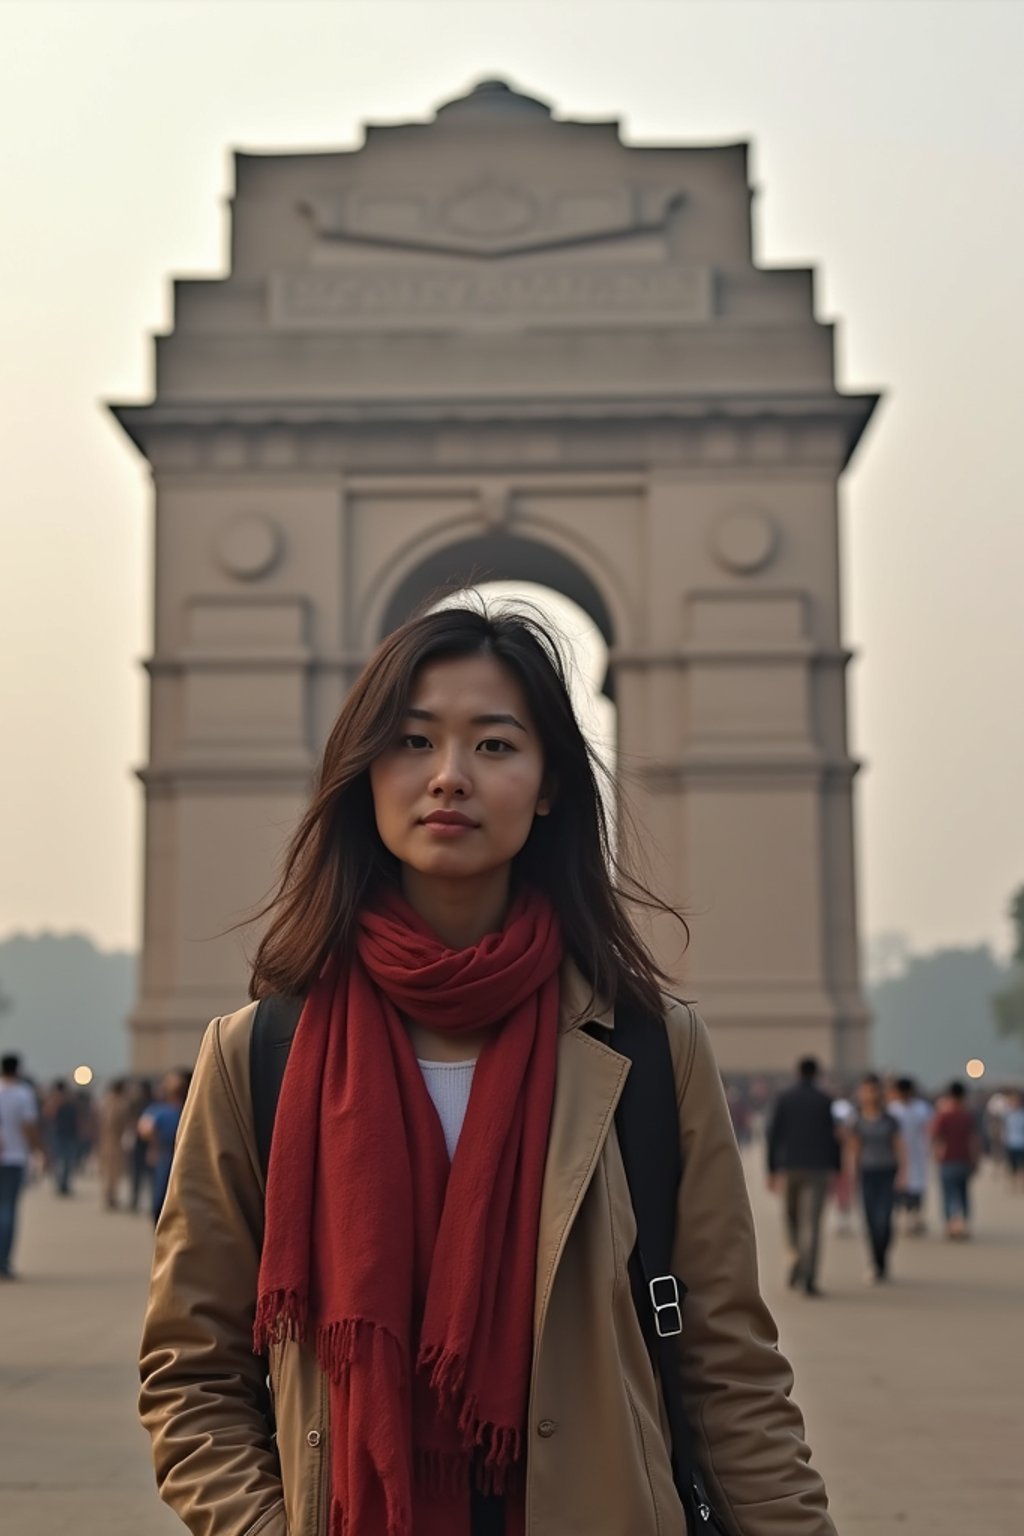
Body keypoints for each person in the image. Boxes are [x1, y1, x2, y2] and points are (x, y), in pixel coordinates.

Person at [139, 604, 839, 1536]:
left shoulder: (650, 1048)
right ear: (363, 773)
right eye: (412, 740)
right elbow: (192, 1370)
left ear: (549, 782)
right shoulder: (258, 1055)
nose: (448, 778)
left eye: (496, 744)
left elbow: (729, 1369)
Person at [766, 1057, 840, 1296]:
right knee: (813, 1224)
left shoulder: (785, 1099)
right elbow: (833, 1137)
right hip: (818, 1169)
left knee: (791, 1220)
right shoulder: (825, 1100)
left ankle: (794, 1260)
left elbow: (773, 1135)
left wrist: (771, 1169)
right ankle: (809, 1276)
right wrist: (836, 1167)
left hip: (790, 1167)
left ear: (797, 1073)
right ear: (816, 1073)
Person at [846, 1074, 906, 1283]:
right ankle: (876, 1262)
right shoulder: (858, 1121)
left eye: (873, 1090)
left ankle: (883, 1255)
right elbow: (854, 1150)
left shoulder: (890, 1121)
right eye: (866, 1090)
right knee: (870, 1220)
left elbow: (899, 1147)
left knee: (885, 1219)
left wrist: (902, 1173)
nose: (870, 1095)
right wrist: (851, 1176)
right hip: (867, 1173)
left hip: (887, 1172)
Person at [0, 1053, 42, 1279]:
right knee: (7, 1210)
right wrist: (39, 1150)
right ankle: (3, 1262)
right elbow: (29, 1126)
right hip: (14, 1158)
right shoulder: (22, 1094)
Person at [138, 1071, 191, 1224]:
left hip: (183, 1156)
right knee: (161, 1199)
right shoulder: (159, 1110)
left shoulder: (189, 1109)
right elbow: (145, 1129)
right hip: (165, 1154)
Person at [931, 1080, 981, 1238]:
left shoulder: (943, 1116)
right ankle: (963, 1223)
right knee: (963, 1192)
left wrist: (936, 1154)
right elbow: (974, 1140)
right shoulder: (968, 1116)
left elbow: (934, 1136)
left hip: (947, 1160)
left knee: (948, 1193)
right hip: (964, 1159)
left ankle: (951, 1224)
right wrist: (975, 1160)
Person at [887, 1077, 933, 1235]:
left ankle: (915, 1217)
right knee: (900, 1185)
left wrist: (929, 1148)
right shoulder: (893, 1109)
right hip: (898, 1154)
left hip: (917, 1152)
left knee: (917, 1186)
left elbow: (928, 1130)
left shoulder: (921, 1109)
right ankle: (903, 1217)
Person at [97, 1078, 130, 1210]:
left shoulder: (105, 1101)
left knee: (109, 1171)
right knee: (113, 1171)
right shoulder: (118, 1103)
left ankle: (110, 1196)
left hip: (107, 1140)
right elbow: (112, 1121)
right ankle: (111, 1196)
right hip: (114, 1141)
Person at [44, 1079, 80, 1196]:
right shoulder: (54, 1101)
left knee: (68, 1162)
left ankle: (64, 1184)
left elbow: (77, 1116)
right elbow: (48, 1115)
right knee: (60, 1162)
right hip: (58, 1135)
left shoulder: (71, 1101)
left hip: (69, 1135)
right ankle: (60, 1184)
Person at [1004, 1090, 1024, 1190]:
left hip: (1021, 1143)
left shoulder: (1021, 1115)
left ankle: (1021, 1184)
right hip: (1011, 1143)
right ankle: (1013, 1185)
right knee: (1012, 1166)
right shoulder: (1008, 1115)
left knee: (1021, 1166)